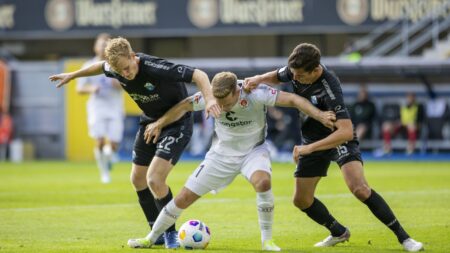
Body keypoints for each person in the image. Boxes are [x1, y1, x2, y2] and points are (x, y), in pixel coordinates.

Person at [127, 71, 336, 251]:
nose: (222, 108)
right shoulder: (211, 98)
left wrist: (319, 115)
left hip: (253, 152)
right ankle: (150, 238)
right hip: (220, 156)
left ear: (236, 92)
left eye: (226, 103)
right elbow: (183, 106)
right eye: (218, 103)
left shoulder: (255, 93)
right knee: (183, 198)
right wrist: (160, 123)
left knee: (263, 182)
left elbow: (292, 100)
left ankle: (267, 241)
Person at [244, 43, 423, 252]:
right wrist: (258, 79)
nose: (296, 79)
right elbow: (278, 75)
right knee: (301, 200)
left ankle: (405, 239)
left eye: (301, 75)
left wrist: (308, 149)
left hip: (337, 138)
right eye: (294, 74)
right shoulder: (296, 71)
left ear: (316, 70)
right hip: (312, 137)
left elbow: (346, 131)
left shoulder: (330, 88)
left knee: (360, 189)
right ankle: (338, 232)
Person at [49, 37, 221, 248]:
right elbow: (98, 67)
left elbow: (199, 75)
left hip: (176, 122)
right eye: (120, 71)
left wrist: (210, 99)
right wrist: (73, 75)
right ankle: (155, 233)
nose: (126, 74)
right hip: (149, 122)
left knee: (155, 180)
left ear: (133, 56)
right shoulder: (115, 67)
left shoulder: (155, 67)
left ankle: (170, 234)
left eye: (127, 68)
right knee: (137, 179)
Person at [77, 33, 124, 183]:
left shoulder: (116, 65)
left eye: (106, 45)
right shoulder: (88, 66)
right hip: (97, 107)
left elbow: (125, 85)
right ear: (95, 47)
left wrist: (117, 83)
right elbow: (79, 89)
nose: (103, 47)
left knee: (114, 144)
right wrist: (92, 89)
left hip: (115, 107)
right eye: (101, 44)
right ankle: (104, 172)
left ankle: (108, 159)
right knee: (100, 141)